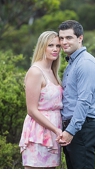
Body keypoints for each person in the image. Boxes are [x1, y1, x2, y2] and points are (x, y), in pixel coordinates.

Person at [57, 20, 95, 169]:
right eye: (61, 38)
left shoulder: (85, 63)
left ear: (80, 38)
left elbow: (84, 101)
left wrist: (70, 131)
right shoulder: (73, 62)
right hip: (75, 128)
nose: (64, 42)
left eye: (69, 37)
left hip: (82, 129)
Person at [19, 31, 66, 169]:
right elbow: (32, 110)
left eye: (58, 46)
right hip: (38, 133)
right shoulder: (35, 72)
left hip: (53, 134)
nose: (55, 49)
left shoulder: (52, 71)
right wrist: (56, 130)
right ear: (42, 47)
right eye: (50, 45)